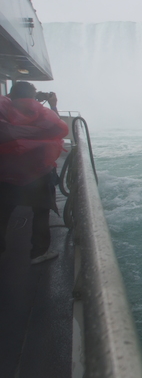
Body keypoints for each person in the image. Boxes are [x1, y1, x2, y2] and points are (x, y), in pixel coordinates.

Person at [0, 81, 68, 264]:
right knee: (41, 211)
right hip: (37, 172)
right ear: (33, 96)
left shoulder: (4, 108)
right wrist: (52, 104)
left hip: (6, 172)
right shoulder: (41, 112)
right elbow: (58, 129)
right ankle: (39, 252)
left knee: (3, 211)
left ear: (11, 94)